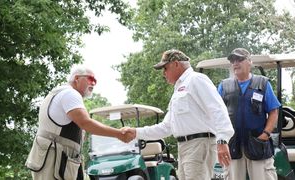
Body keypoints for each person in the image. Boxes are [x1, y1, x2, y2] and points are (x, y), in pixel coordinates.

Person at [122, 49, 234, 180]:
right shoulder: (178, 90)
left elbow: (218, 109)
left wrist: (222, 140)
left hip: (200, 145)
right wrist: (136, 132)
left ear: (176, 64)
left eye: (165, 68)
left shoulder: (196, 80)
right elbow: (166, 127)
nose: (164, 73)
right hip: (184, 147)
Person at [25, 66, 133, 180]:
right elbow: (86, 123)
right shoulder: (70, 94)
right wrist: (118, 134)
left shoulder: (60, 92)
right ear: (77, 78)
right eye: (90, 79)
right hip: (55, 160)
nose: (93, 84)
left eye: (95, 81)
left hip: (56, 159)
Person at [218, 48, 280, 180]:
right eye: (233, 60)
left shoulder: (263, 83)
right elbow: (216, 115)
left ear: (250, 62)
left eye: (239, 59)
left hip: (258, 144)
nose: (235, 63)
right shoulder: (224, 86)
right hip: (232, 145)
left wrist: (266, 134)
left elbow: (274, 111)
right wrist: (221, 141)